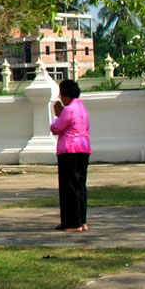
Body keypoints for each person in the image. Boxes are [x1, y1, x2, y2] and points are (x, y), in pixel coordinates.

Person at [50, 78, 91, 232]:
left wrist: (57, 115)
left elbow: (56, 128)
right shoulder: (82, 108)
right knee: (80, 186)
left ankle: (72, 222)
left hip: (69, 150)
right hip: (83, 149)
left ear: (66, 95)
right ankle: (82, 221)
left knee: (69, 188)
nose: (60, 98)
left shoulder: (69, 109)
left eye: (61, 95)